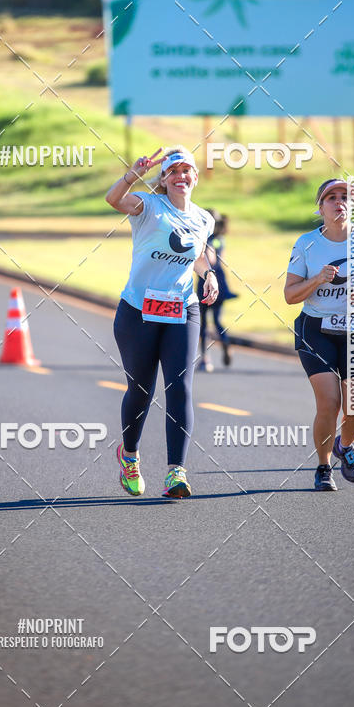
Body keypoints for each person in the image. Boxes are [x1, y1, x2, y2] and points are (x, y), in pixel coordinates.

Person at [105, 146, 219, 499]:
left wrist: (209, 273)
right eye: (173, 172)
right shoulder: (147, 206)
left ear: (195, 178)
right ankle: (130, 454)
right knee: (141, 390)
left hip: (182, 310)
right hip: (138, 311)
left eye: (187, 171)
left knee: (180, 386)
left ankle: (176, 473)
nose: (181, 177)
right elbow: (113, 200)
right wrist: (132, 174)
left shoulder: (204, 219)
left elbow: (196, 253)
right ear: (164, 180)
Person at [284, 179, 354, 491]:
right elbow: (290, 295)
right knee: (329, 402)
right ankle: (323, 466)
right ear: (320, 207)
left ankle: (344, 446)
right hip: (316, 329)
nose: (338, 202)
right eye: (331, 197)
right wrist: (317, 279)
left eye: (345, 197)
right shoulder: (307, 243)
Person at [197, 210, 238, 372]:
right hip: (221, 284)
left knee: (203, 324)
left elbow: (210, 260)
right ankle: (225, 341)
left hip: (205, 283)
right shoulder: (221, 240)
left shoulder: (207, 240)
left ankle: (205, 359)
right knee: (217, 320)